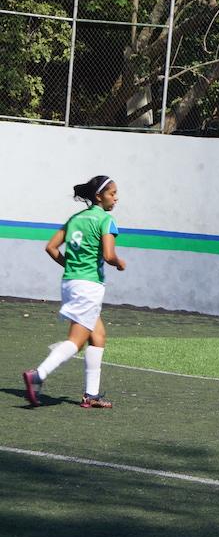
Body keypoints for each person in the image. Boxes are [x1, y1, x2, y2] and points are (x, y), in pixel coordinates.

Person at [22, 175, 127, 408]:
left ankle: (91, 395)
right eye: (112, 193)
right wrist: (119, 263)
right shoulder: (106, 220)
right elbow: (109, 256)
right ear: (99, 196)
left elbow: (51, 247)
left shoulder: (75, 218)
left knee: (97, 336)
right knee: (76, 341)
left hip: (70, 282)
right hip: (89, 286)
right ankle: (37, 375)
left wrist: (71, 265)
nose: (116, 198)